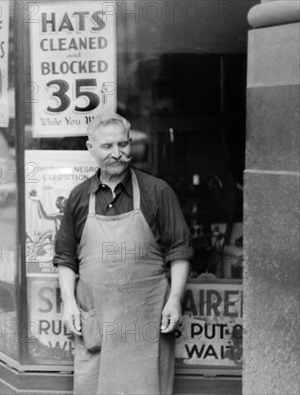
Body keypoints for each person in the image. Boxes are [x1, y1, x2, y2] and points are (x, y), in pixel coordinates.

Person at [53, 113, 192, 394]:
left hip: (145, 323)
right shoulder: (79, 197)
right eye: (107, 147)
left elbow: (179, 251)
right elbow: (66, 257)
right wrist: (68, 301)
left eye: (123, 144)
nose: (117, 154)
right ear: (90, 148)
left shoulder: (158, 192)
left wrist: (175, 299)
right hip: (98, 323)